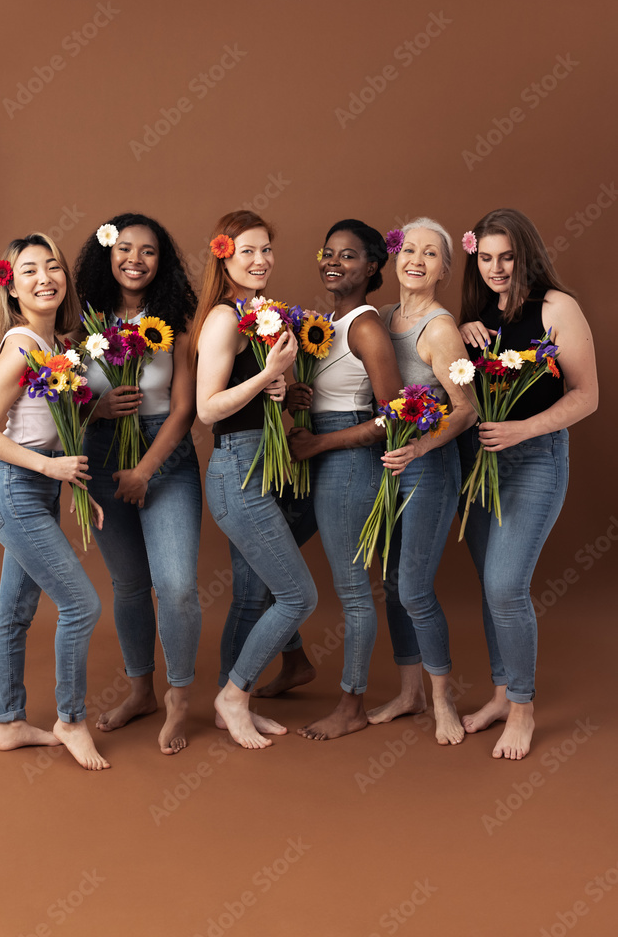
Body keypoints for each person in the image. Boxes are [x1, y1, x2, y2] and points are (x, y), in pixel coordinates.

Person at [457, 208, 598, 759]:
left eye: (507, 257)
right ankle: (499, 693)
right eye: (486, 257)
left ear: (527, 255)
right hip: (480, 463)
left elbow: (587, 395)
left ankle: (522, 707)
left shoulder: (557, 308)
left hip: (535, 459)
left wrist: (523, 429)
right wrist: (464, 333)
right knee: (490, 586)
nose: (496, 268)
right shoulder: (478, 315)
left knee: (504, 586)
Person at [0, 233, 109, 771]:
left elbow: (48, 431)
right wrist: (51, 469)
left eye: (53, 267)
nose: (45, 278)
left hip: (39, 488)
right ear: (11, 288)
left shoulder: (54, 349)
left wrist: (74, 483)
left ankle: (9, 725)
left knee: (14, 613)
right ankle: (71, 720)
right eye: (28, 271)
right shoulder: (22, 346)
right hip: (13, 489)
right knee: (81, 605)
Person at [74, 213, 202, 755]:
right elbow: (62, 394)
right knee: (128, 583)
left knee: (174, 585)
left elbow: (184, 410)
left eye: (148, 251)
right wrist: (95, 407)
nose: (135, 260)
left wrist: (146, 468)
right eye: (124, 248)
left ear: (162, 261)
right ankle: (139, 691)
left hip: (164, 455)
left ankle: (178, 697)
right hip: (101, 451)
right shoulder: (83, 323)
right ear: (107, 255)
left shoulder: (179, 320)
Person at [193, 209, 318, 749]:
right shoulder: (224, 317)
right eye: (248, 250)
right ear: (224, 255)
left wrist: (286, 395)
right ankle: (234, 694)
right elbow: (207, 409)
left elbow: (248, 399)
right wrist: (268, 375)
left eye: (267, 249)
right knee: (297, 596)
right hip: (236, 473)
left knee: (251, 597)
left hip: (262, 468)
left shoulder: (261, 312)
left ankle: (228, 706)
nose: (261, 259)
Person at [288, 219, 402, 740]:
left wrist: (321, 442)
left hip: (349, 465)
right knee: (270, 560)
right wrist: (295, 401)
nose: (333, 261)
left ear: (373, 267)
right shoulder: (326, 323)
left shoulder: (365, 326)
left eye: (349, 255)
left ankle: (352, 705)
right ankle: (293, 663)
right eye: (328, 251)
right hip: (317, 456)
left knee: (355, 592)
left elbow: (394, 417)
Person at [366, 218, 476, 744]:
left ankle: (441, 698)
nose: (416, 260)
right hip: (389, 464)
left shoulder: (439, 329)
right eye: (409, 249)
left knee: (413, 588)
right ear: (394, 257)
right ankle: (409, 692)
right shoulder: (383, 318)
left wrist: (420, 446)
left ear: (444, 269)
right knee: (391, 584)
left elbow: (466, 410)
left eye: (430, 254)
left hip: (427, 467)